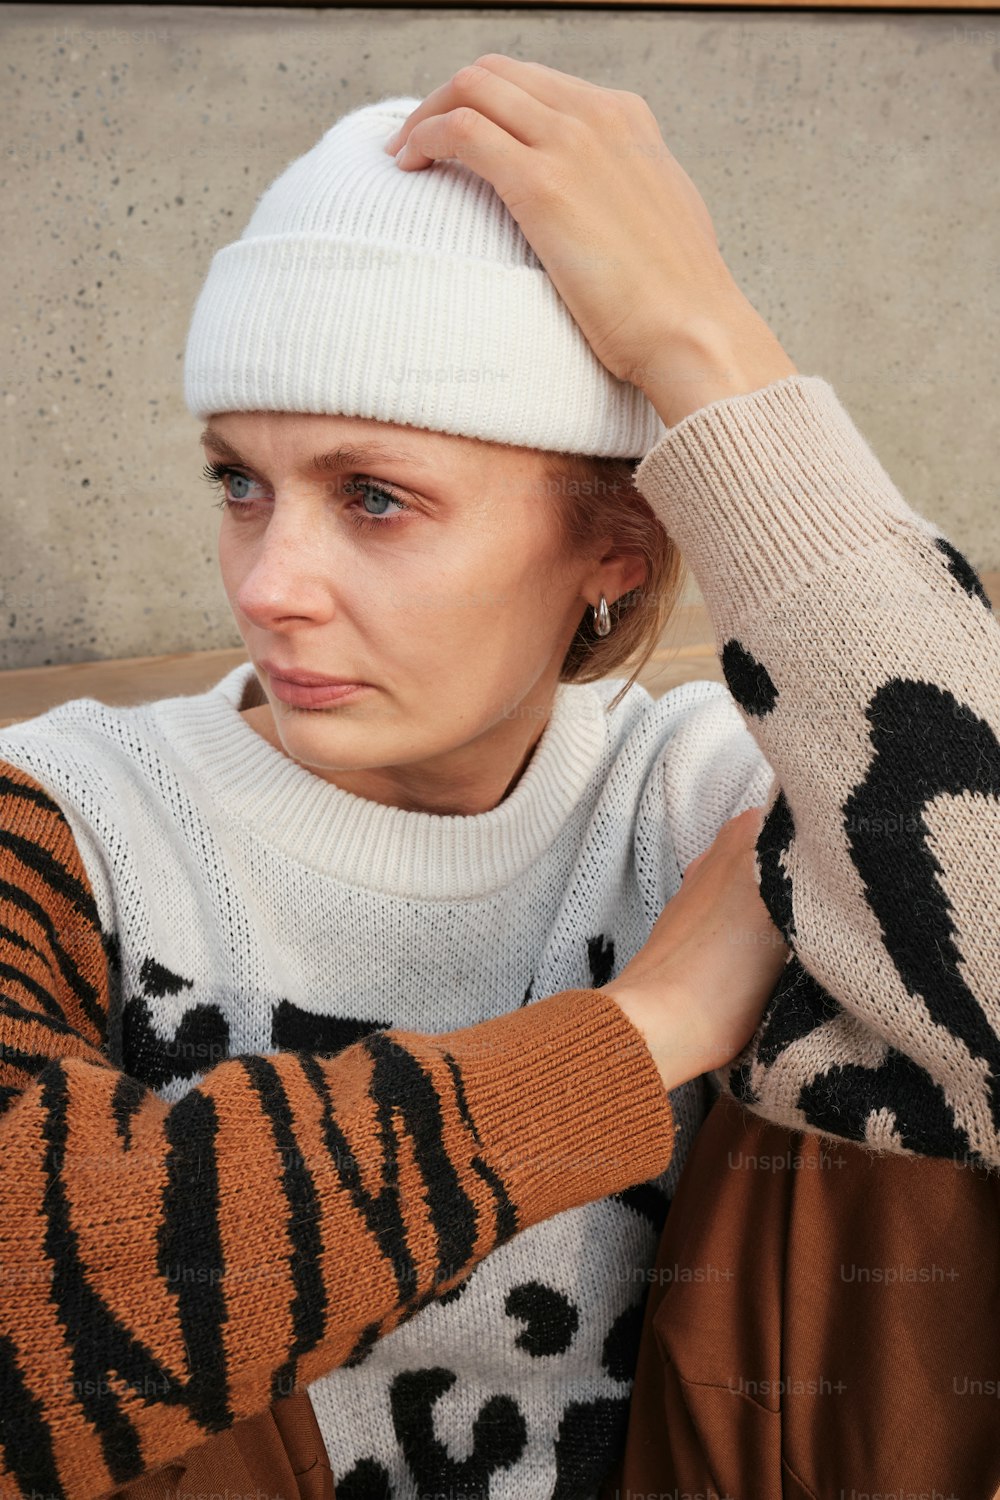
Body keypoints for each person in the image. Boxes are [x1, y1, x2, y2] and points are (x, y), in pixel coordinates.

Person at [0, 54, 997, 1500]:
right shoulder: (63, 813)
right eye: (239, 481)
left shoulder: (710, 801)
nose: (270, 583)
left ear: (618, 546)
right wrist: (640, 1031)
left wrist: (708, 347)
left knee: (920, 1075)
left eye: (376, 498)